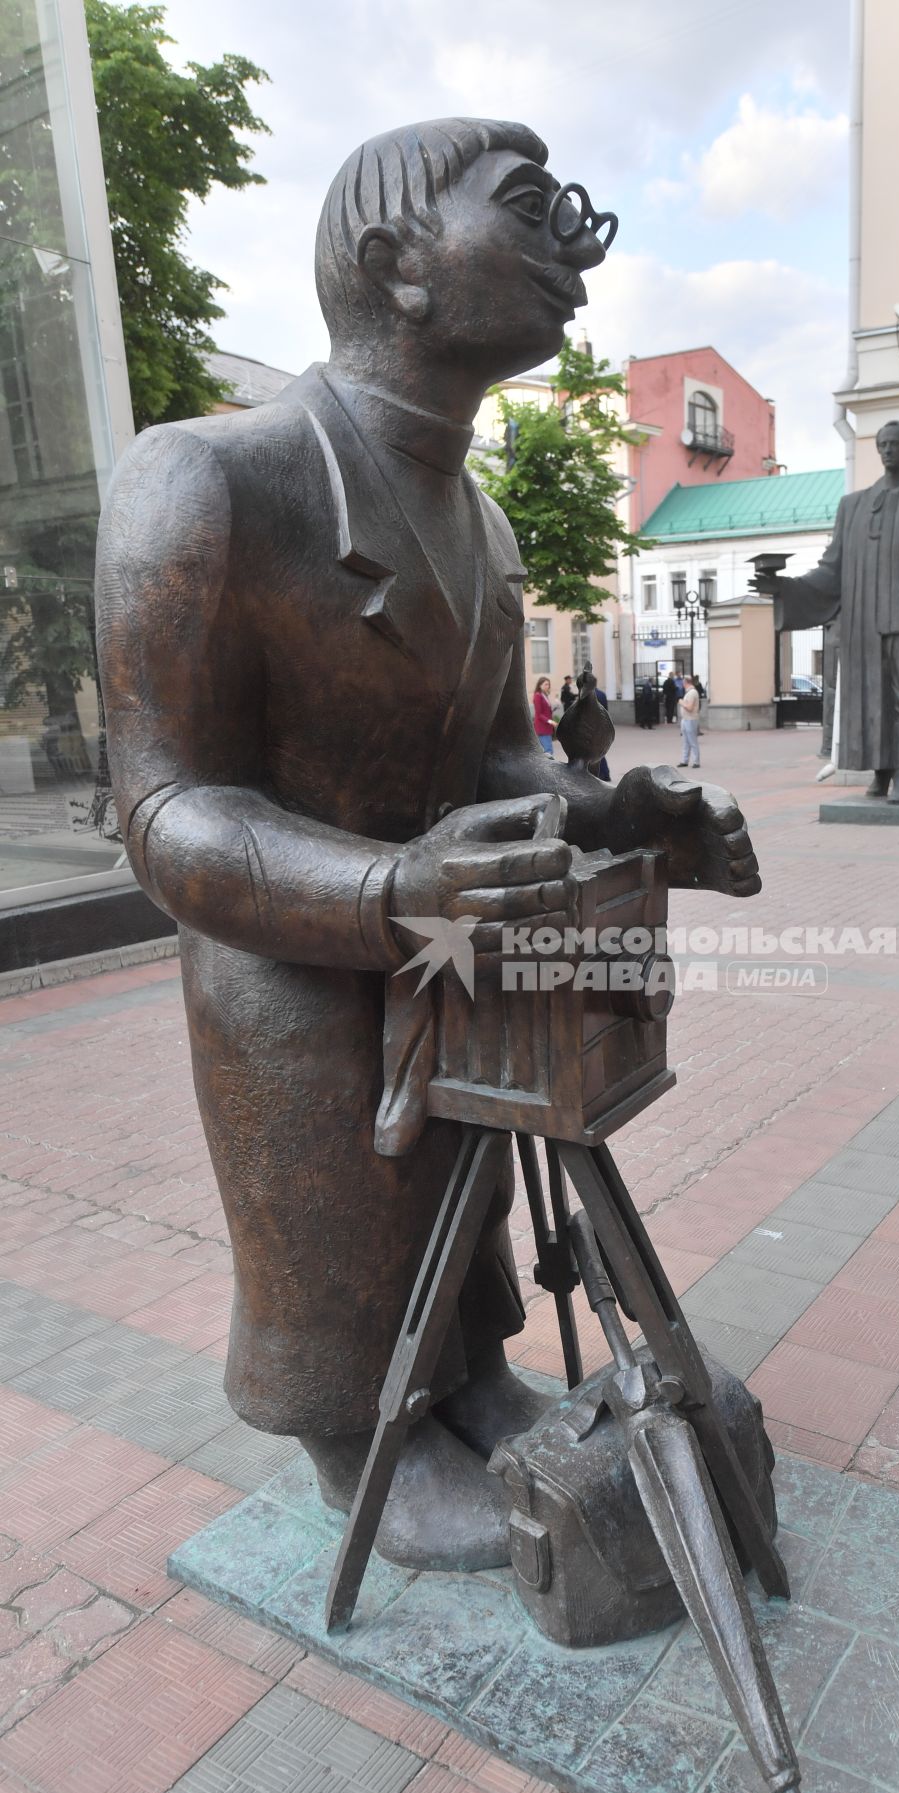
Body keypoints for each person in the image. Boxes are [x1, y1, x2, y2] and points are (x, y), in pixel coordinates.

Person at [95, 115, 762, 1576]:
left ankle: (461, 1383)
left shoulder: (491, 525)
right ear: (398, 261)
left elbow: (500, 763)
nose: (573, 252)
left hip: (455, 958)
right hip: (299, 966)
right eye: (527, 210)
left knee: (456, 1207)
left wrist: (620, 812)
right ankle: (358, 1447)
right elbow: (165, 810)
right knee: (333, 1230)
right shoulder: (209, 479)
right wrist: (389, 887)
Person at [752, 420, 899, 805]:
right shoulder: (852, 506)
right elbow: (830, 570)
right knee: (872, 701)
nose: (888, 450)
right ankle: (882, 773)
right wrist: (784, 587)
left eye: (895, 444)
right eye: (883, 444)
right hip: (863, 622)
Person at [678, 676, 701, 768]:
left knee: (692, 741)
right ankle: (685, 760)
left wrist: (681, 702)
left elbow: (690, 708)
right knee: (685, 741)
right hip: (685, 719)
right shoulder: (689, 692)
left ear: (686, 682)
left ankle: (696, 761)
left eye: (683, 682)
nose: (682, 684)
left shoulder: (692, 693)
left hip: (690, 719)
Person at [532, 674, 555, 755]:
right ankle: (548, 767)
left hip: (546, 727)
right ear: (540, 685)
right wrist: (549, 721)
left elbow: (547, 711)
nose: (547, 686)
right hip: (542, 727)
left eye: (548, 684)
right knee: (548, 750)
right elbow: (539, 713)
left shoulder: (544, 695)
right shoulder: (537, 696)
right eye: (545, 684)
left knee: (547, 750)